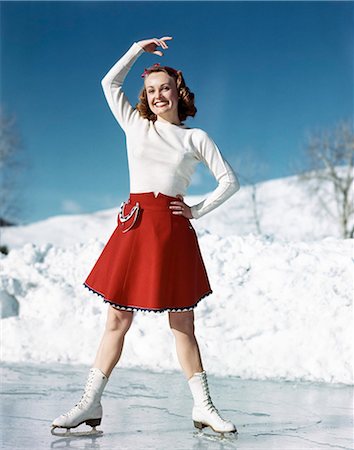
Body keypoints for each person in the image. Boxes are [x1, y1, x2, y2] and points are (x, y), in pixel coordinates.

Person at [51, 36, 240, 437]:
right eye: (151, 90)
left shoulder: (196, 138)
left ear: (178, 92)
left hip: (172, 230)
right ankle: (90, 403)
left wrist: (197, 209)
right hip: (135, 227)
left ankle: (204, 407)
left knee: (182, 324)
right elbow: (108, 84)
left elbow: (229, 181)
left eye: (164, 88)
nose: (157, 96)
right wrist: (138, 49)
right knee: (117, 318)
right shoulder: (134, 125)